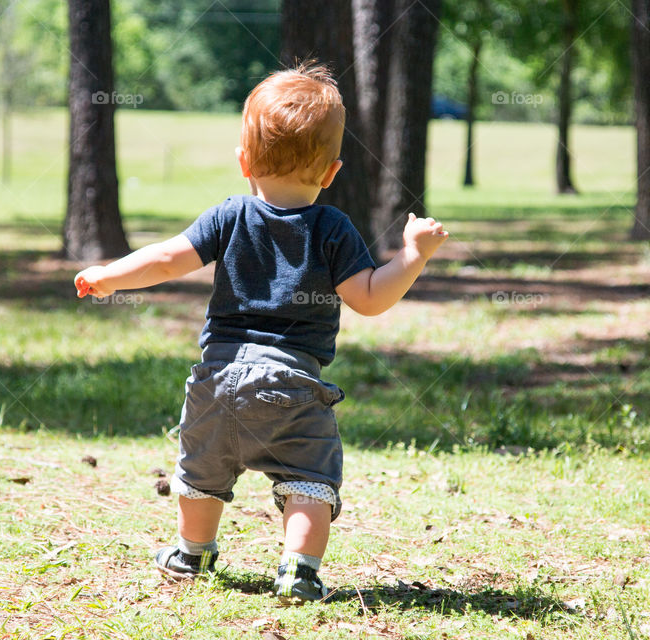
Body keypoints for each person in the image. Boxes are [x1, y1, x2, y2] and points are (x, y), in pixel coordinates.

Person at [74, 62, 448, 604]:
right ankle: (299, 568)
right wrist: (412, 256)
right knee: (308, 478)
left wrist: (109, 276)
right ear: (331, 172)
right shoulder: (332, 227)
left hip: (218, 376)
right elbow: (370, 298)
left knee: (200, 473)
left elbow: (164, 260)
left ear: (244, 161)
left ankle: (190, 553)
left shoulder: (229, 215)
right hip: (292, 384)